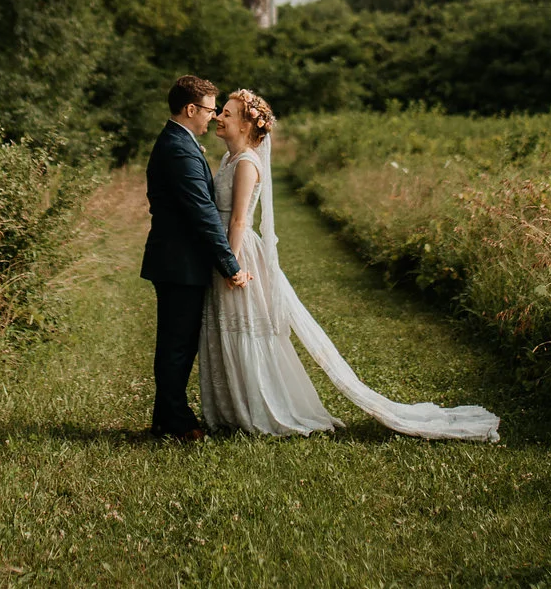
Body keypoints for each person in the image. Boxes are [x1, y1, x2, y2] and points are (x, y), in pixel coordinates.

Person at [196, 89, 500, 442]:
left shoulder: (247, 162)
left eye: (229, 114)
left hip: (238, 252)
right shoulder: (229, 160)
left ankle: (259, 411)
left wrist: (228, 265)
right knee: (225, 327)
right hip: (224, 250)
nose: (219, 117)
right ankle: (233, 409)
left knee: (244, 328)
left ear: (247, 124)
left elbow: (238, 222)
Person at [139, 75, 251, 440]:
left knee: (178, 343)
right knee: (176, 345)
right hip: (178, 263)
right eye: (208, 109)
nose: (213, 116)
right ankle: (174, 421)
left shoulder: (180, 143)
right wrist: (231, 266)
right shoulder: (179, 148)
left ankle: (166, 418)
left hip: (179, 261)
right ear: (190, 109)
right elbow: (202, 213)